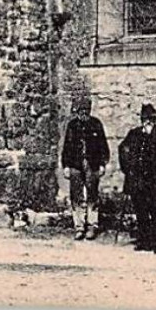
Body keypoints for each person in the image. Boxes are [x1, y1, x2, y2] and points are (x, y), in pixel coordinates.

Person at [117, 104, 156, 252]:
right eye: (144, 118)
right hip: (138, 180)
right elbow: (123, 150)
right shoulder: (133, 134)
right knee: (141, 211)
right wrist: (128, 169)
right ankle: (144, 241)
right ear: (141, 119)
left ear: (154, 119)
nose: (147, 121)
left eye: (150, 118)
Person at [61, 100, 111, 240]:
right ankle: (79, 227)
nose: (83, 114)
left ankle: (92, 226)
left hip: (92, 165)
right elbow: (66, 148)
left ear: (89, 111)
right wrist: (66, 166)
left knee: (92, 196)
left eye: (86, 111)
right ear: (77, 111)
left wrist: (102, 164)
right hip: (75, 165)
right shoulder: (72, 126)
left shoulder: (96, 124)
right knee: (76, 196)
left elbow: (103, 146)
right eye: (81, 111)